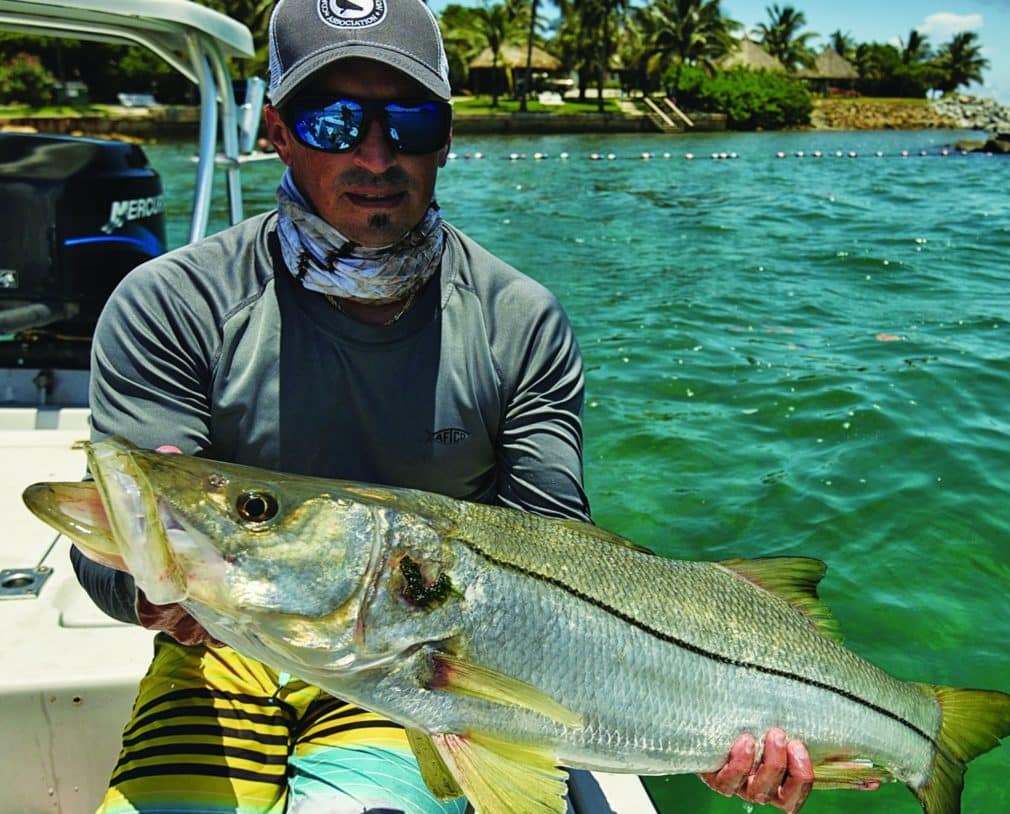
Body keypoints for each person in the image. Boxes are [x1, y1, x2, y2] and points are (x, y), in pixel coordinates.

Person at [71, 0, 816, 811]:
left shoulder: (517, 319)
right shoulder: (170, 303)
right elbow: (113, 545)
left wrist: (689, 717)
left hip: (436, 679)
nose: (377, 153)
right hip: (219, 650)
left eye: (412, 119)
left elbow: (556, 556)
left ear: (449, 136)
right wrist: (147, 582)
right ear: (279, 132)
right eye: (335, 120)